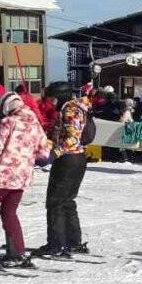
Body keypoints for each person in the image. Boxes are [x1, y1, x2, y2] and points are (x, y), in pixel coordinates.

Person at [0, 93, 50, 269]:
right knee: (9, 212)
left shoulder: (8, 122)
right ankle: (17, 253)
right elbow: (44, 153)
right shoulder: (35, 123)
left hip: (3, 174)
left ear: (5, 107)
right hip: (22, 176)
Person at [34, 82, 92, 258]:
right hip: (76, 159)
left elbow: (72, 139)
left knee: (55, 202)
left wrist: (54, 153)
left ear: (59, 96)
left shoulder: (70, 110)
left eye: (51, 98)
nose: (50, 102)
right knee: (67, 201)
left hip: (68, 160)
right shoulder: (75, 107)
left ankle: (56, 244)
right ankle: (73, 242)